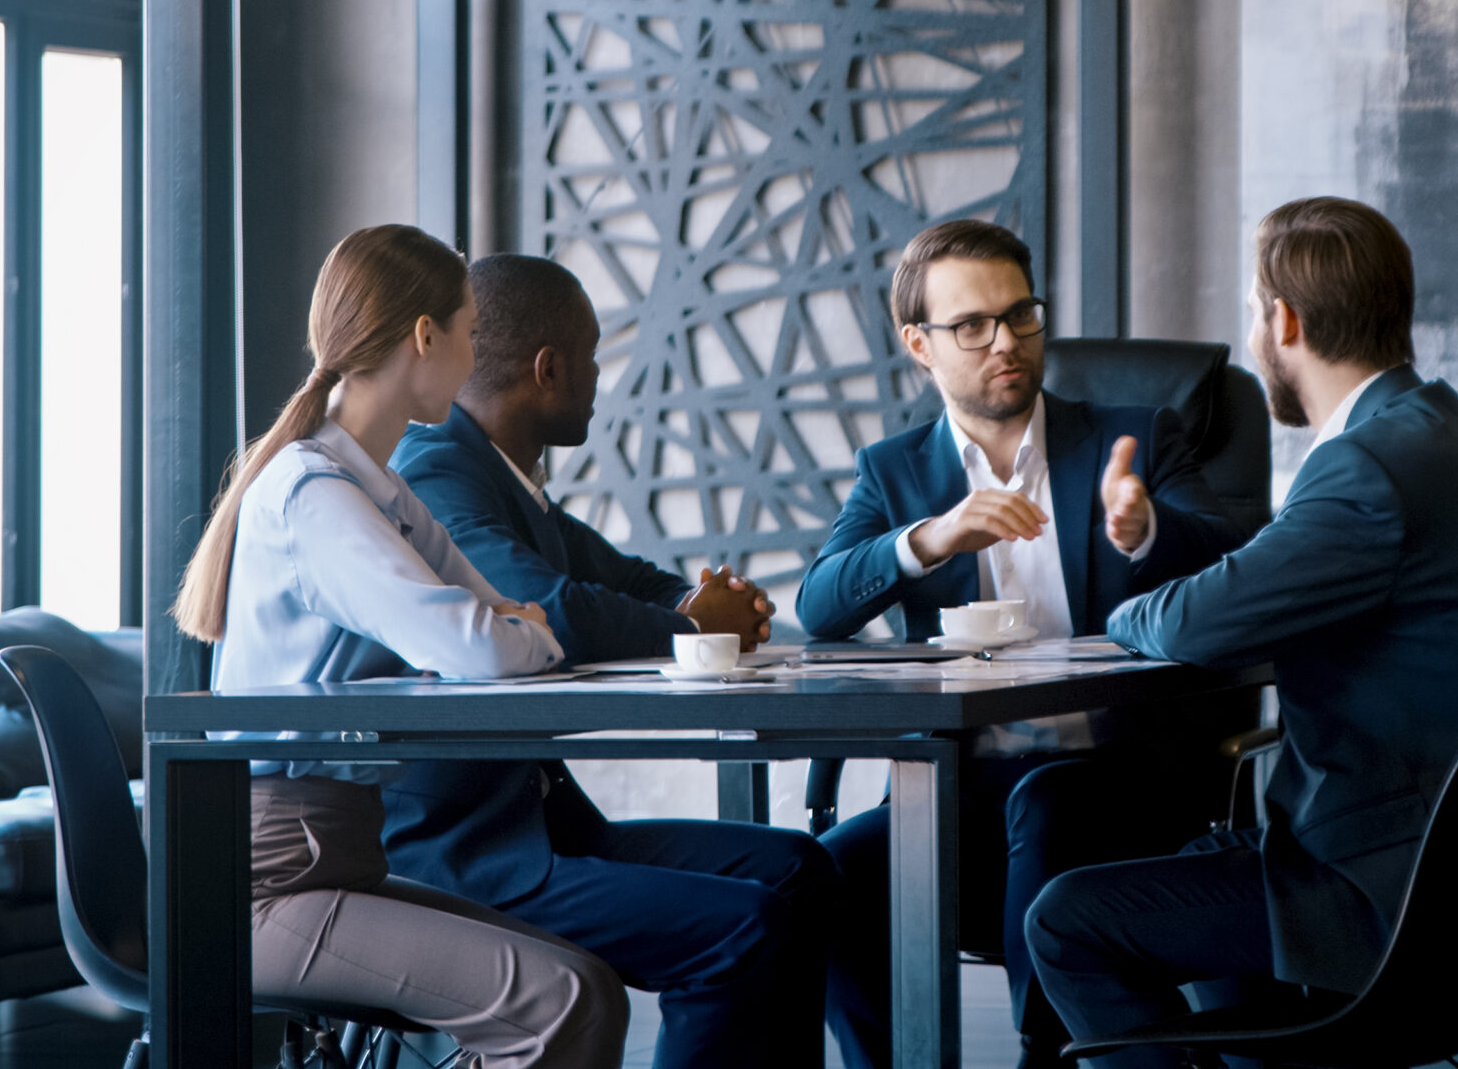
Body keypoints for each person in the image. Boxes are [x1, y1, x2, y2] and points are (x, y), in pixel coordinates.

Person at [1022, 197, 1458, 1069]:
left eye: (1254, 312)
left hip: (1393, 891)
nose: (1254, 332)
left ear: (1284, 319)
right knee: (1199, 861)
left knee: (1065, 921)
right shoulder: (1457, 436)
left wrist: (1124, 607)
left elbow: (1194, 620)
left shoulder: (1368, 466)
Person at [798, 219, 1251, 1069]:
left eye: (1021, 314)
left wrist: (1146, 530)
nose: (1005, 341)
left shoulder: (1136, 436)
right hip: (957, 794)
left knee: (1046, 803)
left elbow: (1235, 560)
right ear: (919, 345)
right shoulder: (895, 471)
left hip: (1123, 786)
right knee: (820, 876)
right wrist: (928, 538)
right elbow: (821, 604)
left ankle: (1049, 1055)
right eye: (971, 325)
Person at [172, 225, 627, 1069]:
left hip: (337, 852)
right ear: (427, 337)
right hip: (268, 878)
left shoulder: (381, 492)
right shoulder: (315, 497)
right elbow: (490, 643)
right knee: (559, 1003)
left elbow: (508, 623)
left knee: (585, 986)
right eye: (468, 331)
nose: (474, 354)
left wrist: (512, 629)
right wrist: (512, 630)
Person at [386, 252, 841, 1069]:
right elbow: (546, 606)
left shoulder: (508, 479)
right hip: (457, 851)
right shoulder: (436, 473)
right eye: (592, 356)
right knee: (743, 926)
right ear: (548, 369)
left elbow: (626, 579)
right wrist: (701, 629)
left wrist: (706, 607)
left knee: (795, 869)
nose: (600, 377)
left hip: (544, 827)